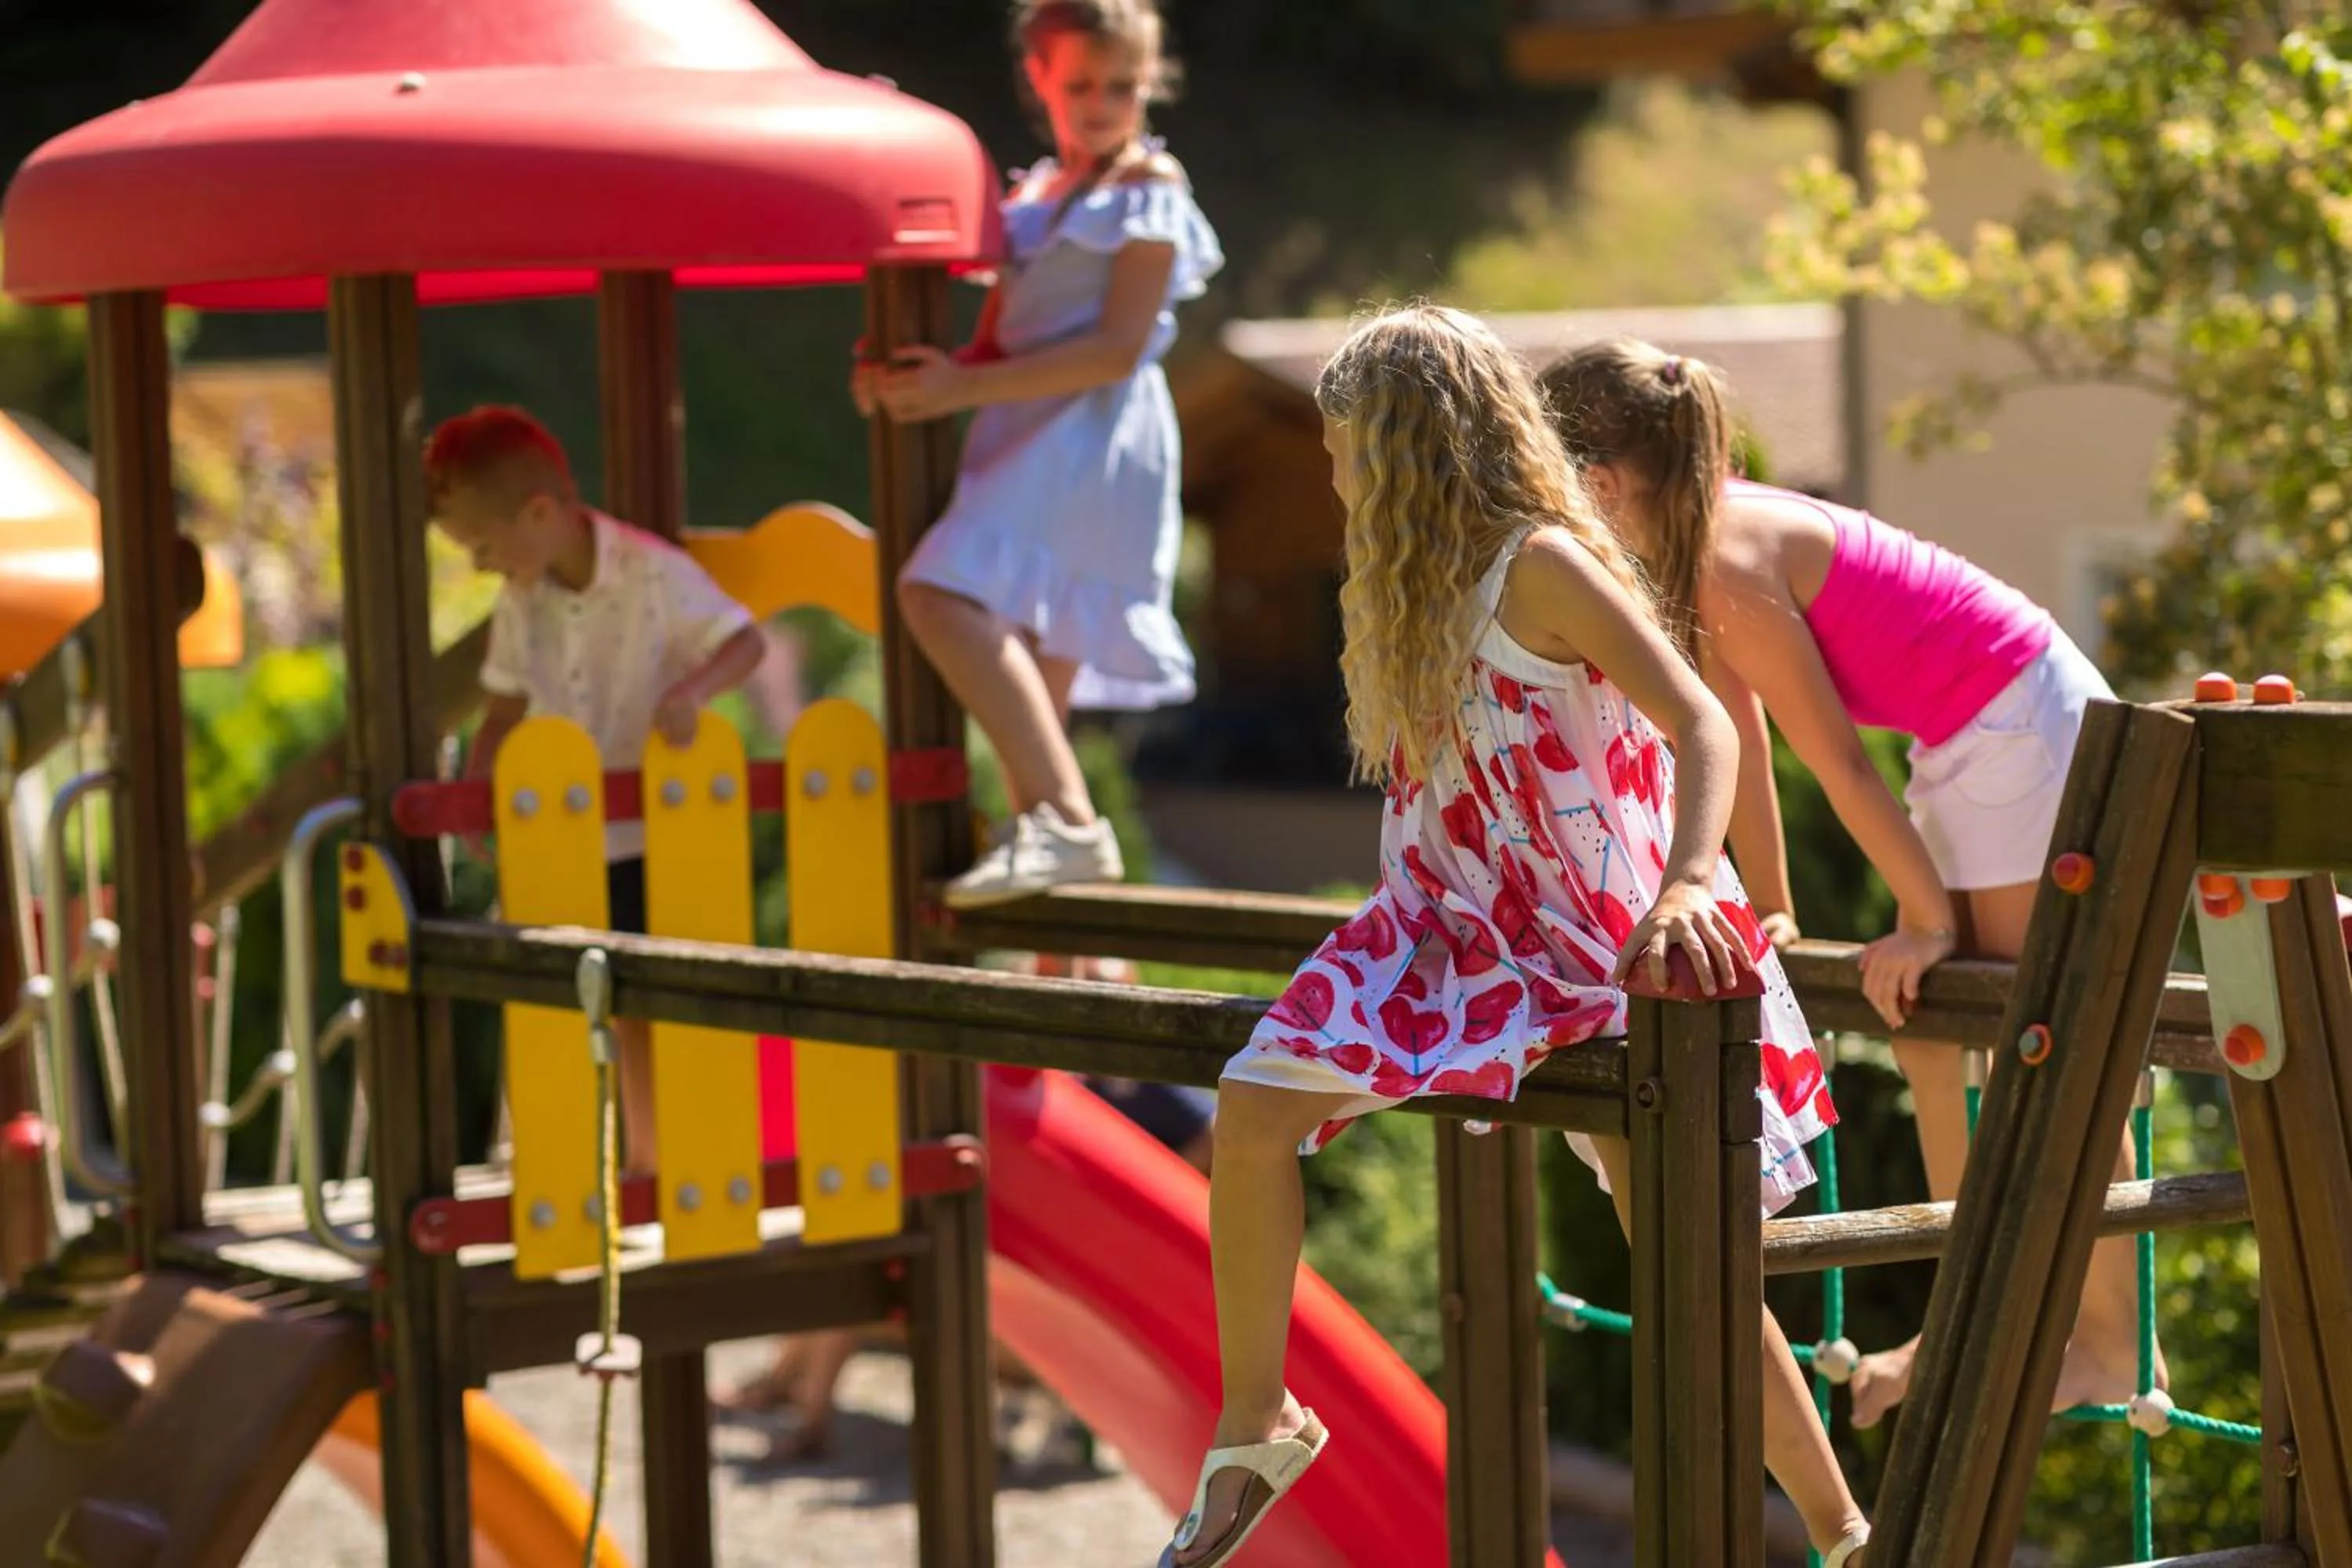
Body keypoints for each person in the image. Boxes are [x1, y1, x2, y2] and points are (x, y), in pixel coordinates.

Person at [1166, 307, 1869, 1568]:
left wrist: (1691, 885)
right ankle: (1256, 1417)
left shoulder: (1540, 565)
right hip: (1452, 935)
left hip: (1593, 950)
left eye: (1342, 449)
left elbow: (1704, 720)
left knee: (1696, 1274)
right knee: (1256, 1103)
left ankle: (1844, 1529)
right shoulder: (1410, 597)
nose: (1334, 477)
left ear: (1403, 447)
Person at [1538, 336, 2160, 1430]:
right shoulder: (1702, 545)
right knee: (1929, 1032)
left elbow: (1837, 765)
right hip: (1972, 735)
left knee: (2047, 1035)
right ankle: (1973, 1314)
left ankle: (2114, 1344)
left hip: (2021, 725)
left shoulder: (1724, 561)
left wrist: (1924, 919)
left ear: (1598, 484)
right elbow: (1739, 738)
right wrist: (1777, 905)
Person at [857, 0, 1221, 910]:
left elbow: (1118, 348)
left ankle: (1066, 819)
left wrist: (960, 388)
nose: (1103, 105)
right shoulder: (1033, 197)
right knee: (1033, 693)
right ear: (1040, 80)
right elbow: (994, 337)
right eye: (1082, 85)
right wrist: (914, 379)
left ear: (1150, 85)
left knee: (937, 592)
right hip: (1021, 427)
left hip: (1092, 439)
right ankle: (1075, 938)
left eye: (1123, 87)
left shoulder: (1150, 184)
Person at [427, 406, 767, 1178]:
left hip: (647, 839)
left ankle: (649, 1167)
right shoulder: (522, 599)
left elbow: (744, 641)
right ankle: (560, 1168)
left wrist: (692, 692)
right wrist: (478, 788)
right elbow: (504, 708)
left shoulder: (653, 575)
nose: (481, 566)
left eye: (483, 547)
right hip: (560, 841)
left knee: (642, 1006)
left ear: (539, 514)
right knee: (551, 998)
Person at [714, 1071, 1214, 1461]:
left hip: (1039, 1321)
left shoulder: (1121, 1092)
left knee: (858, 1275)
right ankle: (789, 1392)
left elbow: (1214, 1125)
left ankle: (802, 1413)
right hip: (1016, 1291)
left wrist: (1158, 1192)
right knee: (851, 1261)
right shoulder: (1064, 1095)